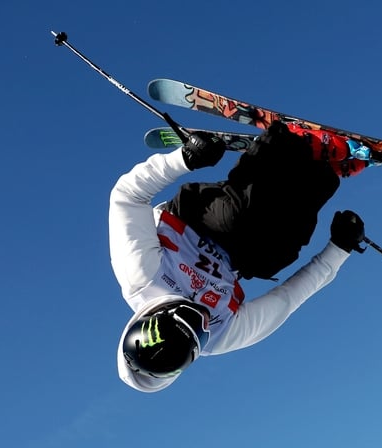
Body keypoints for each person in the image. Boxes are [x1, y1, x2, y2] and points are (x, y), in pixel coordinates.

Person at [109, 121, 367, 393]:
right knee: (277, 253)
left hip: (191, 219)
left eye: (189, 315)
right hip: (235, 257)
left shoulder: (141, 275)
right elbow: (288, 298)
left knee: (238, 219)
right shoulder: (221, 337)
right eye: (199, 331)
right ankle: (323, 169)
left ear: (156, 313)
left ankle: (290, 141)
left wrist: (183, 159)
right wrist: (340, 248)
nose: (203, 319)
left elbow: (128, 196)